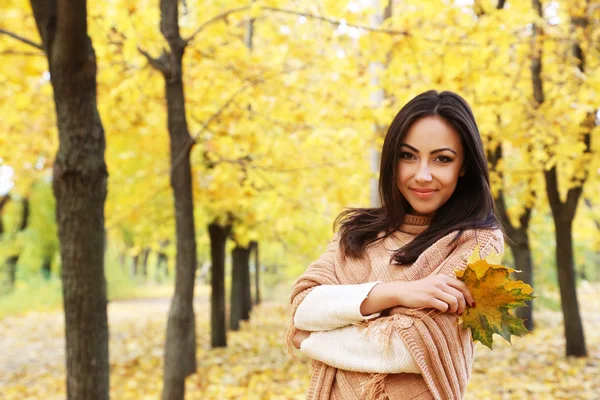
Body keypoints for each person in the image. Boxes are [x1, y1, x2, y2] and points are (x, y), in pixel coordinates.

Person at [284, 90, 505, 400]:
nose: (422, 174)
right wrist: (395, 293)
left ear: (464, 165)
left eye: (442, 159)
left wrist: (309, 341)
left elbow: (413, 349)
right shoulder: (357, 231)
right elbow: (304, 307)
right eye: (408, 156)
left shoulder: (476, 243)